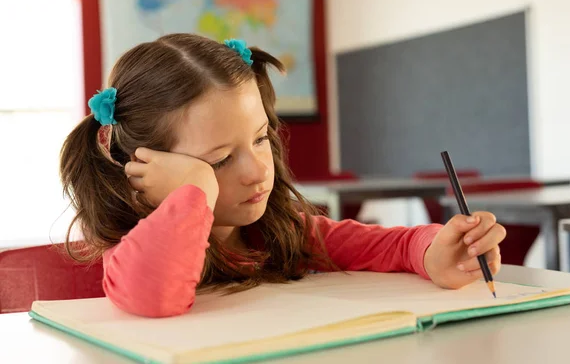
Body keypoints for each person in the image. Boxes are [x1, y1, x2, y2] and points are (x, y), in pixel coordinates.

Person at [59, 34, 506, 318]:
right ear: (140, 167)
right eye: (216, 162)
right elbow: (154, 299)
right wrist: (196, 193)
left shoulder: (280, 232)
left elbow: (385, 243)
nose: (257, 171)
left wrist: (434, 252)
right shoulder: (131, 247)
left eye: (259, 139)